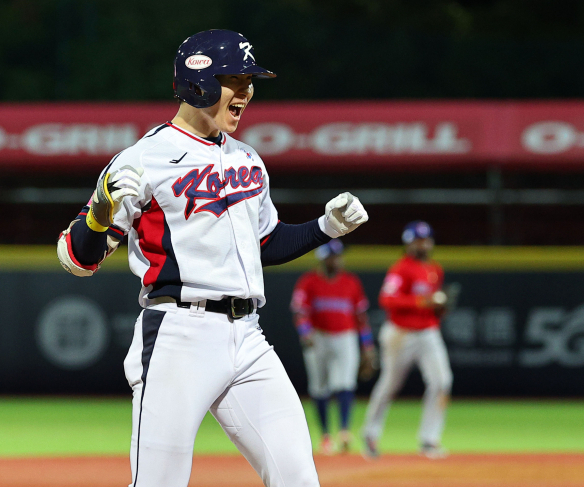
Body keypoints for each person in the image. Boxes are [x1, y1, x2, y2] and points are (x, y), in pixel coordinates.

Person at [56, 29, 369, 487]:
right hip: (177, 336)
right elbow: (74, 257)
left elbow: (266, 244)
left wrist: (326, 228)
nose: (247, 91)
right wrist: (99, 218)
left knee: (299, 480)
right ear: (197, 80)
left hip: (248, 337)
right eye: (236, 79)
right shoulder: (142, 159)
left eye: (250, 81)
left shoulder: (247, 159)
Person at [361, 221, 453, 460]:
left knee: (442, 382)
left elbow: (433, 306)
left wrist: (439, 307)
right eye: (418, 240)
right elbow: (387, 299)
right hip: (400, 334)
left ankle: (429, 439)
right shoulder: (401, 269)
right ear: (409, 243)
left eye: (426, 239)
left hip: (428, 333)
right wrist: (423, 301)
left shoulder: (435, 269)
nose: (423, 244)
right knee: (390, 385)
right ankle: (370, 433)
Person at [290, 239, 377, 455]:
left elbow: (361, 317)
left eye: (338, 256)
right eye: (332, 256)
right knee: (319, 387)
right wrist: (305, 331)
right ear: (322, 258)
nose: (337, 260)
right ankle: (326, 436)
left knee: (346, 382)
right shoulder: (308, 281)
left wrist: (367, 346)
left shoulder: (351, 282)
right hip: (318, 337)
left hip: (345, 337)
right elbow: (300, 312)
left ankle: (345, 431)